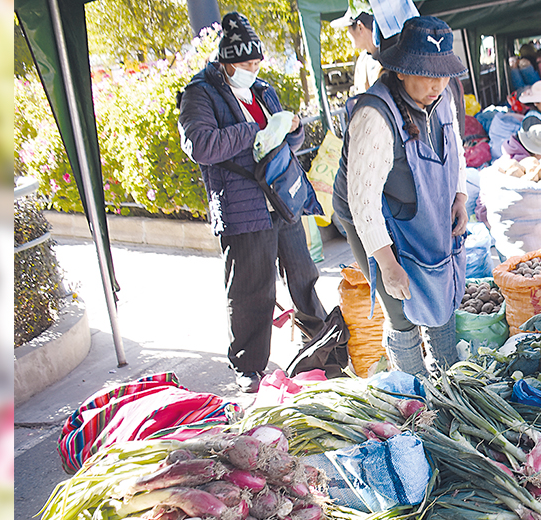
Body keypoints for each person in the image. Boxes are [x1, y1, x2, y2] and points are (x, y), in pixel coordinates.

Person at [178, 12, 329, 393]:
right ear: (225, 62)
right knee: (252, 290)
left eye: (257, 61)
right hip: (243, 209)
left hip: (280, 199)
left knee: (304, 275)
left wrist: (291, 130)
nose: (253, 67)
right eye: (246, 63)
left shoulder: (262, 89)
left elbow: (284, 143)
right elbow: (201, 145)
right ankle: (248, 367)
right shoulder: (200, 93)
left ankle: (321, 350)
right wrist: (255, 131)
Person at [331, 16, 469, 377]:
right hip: (376, 219)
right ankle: (415, 396)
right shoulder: (374, 115)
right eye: (427, 74)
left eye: (443, 73)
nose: (438, 83)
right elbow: (363, 204)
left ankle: (450, 379)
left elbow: (455, 149)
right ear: (402, 70)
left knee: (440, 298)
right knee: (401, 308)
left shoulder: (442, 96)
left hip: (424, 207)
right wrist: (388, 265)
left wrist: (460, 195)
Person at [333, 11, 383, 97]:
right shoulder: (364, 59)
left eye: (349, 27)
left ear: (360, 27)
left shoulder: (390, 60)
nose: (348, 33)